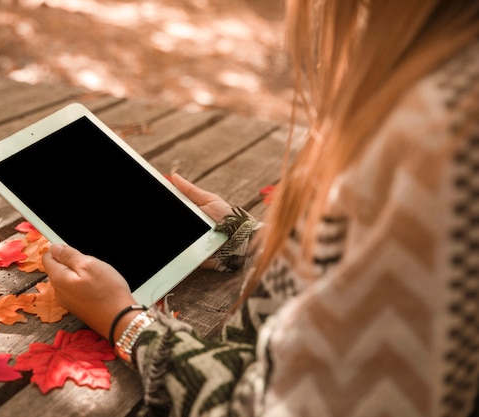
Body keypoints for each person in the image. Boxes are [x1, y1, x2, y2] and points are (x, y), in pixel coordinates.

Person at [43, 0, 479, 415]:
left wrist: (127, 324)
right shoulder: (441, 79)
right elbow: (375, 263)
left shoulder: (438, 132)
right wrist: (251, 240)